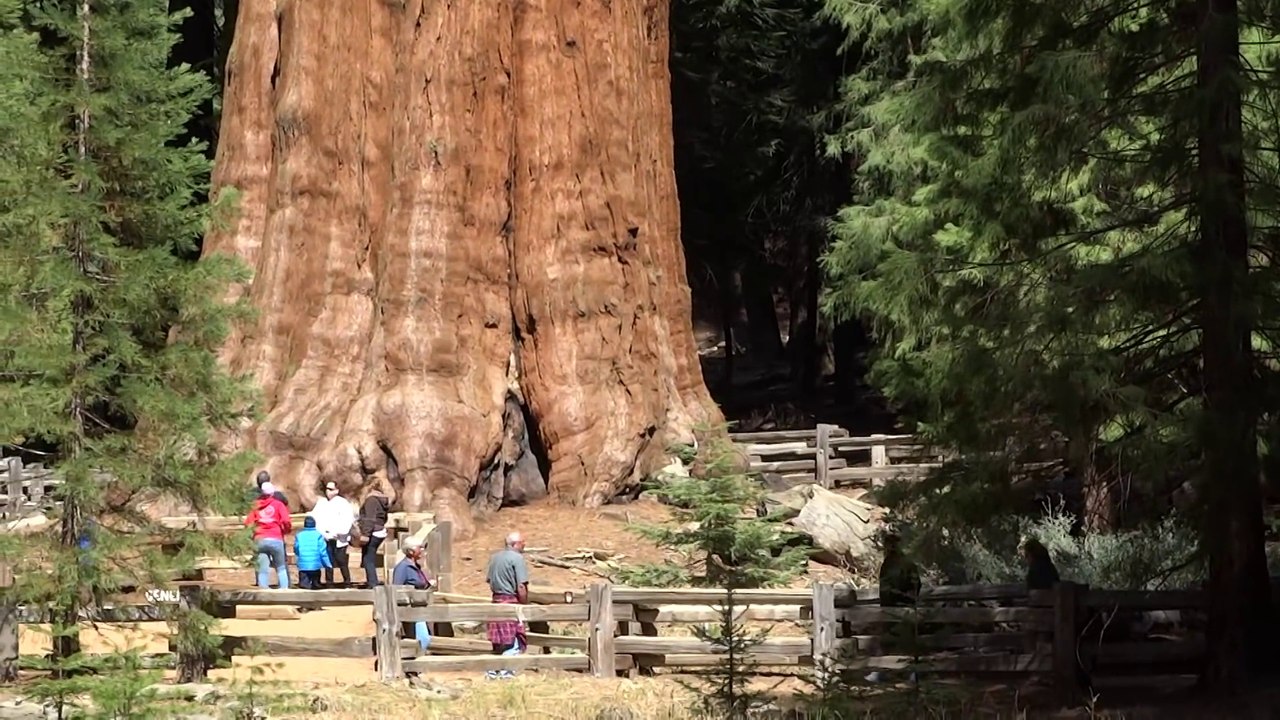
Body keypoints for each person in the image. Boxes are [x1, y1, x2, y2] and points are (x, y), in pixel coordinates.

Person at [867, 530, 921, 684]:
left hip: (893, 607)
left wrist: (891, 602)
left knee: (889, 641)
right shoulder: (908, 563)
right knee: (906, 642)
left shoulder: (890, 564)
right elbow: (917, 585)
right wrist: (911, 600)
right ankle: (910, 674)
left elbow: (886, 588)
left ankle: (881, 673)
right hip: (906, 607)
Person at [485, 531, 530, 680]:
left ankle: (492, 672)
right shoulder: (517, 559)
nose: (524, 545)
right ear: (515, 544)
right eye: (522, 542)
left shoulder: (494, 558)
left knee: (498, 640)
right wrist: (524, 605)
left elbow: (490, 580)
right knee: (512, 639)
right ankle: (506, 673)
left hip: (496, 601)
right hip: (511, 601)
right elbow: (521, 586)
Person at [245, 482, 293, 590]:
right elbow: (286, 520)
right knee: (281, 567)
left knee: (262, 568)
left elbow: (248, 523)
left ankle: (264, 590)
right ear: (272, 493)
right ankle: (284, 590)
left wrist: (252, 536)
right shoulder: (278, 505)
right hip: (275, 537)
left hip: (260, 538)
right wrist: (285, 530)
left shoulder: (256, 506)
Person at [391, 537, 435, 655]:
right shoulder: (402, 568)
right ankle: (413, 666)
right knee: (422, 639)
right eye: (419, 547)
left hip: (419, 608)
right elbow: (396, 588)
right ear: (410, 551)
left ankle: (416, 665)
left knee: (422, 638)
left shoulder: (415, 566)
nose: (422, 550)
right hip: (410, 610)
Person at [310, 481, 356, 588]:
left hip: (339, 538)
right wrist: (323, 533)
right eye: (327, 489)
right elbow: (315, 518)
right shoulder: (321, 503)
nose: (328, 491)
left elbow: (347, 520)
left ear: (337, 490)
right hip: (326, 537)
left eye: (331, 489)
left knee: (341, 560)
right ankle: (329, 583)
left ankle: (347, 582)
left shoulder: (343, 503)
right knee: (327, 561)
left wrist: (338, 532)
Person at [358, 486, 391, 588]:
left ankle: (373, 583)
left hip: (373, 532)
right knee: (368, 558)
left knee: (368, 559)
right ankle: (371, 581)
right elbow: (384, 517)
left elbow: (370, 518)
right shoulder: (382, 501)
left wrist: (366, 534)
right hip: (380, 530)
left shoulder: (371, 501)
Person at [292, 516, 331, 590]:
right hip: (315, 565)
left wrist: (299, 556)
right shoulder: (318, 535)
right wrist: (327, 563)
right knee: (316, 585)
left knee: (304, 586)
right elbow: (322, 551)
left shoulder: (299, 535)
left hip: (303, 566)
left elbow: (296, 548)